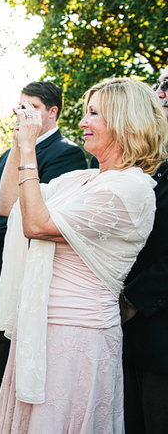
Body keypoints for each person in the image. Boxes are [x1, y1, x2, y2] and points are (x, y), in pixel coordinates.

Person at [0, 77, 167, 433]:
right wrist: (17, 141)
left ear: (124, 121)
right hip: (39, 326)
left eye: (93, 114)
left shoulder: (130, 189)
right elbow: (9, 205)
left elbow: (37, 225)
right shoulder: (81, 180)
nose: (83, 122)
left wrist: (29, 150)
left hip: (76, 334)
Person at [0, 82, 87, 429]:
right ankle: (4, 415)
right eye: (19, 105)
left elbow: (36, 211)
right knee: (0, 342)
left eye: (31, 107)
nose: (22, 113)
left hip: (26, 264)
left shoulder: (66, 153)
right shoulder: (9, 153)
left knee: (25, 344)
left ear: (52, 112)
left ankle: (26, 420)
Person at [120, 68, 168, 433]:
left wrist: (134, 298)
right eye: (160, 86)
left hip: (159, 327)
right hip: (124, 333)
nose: (161, 94)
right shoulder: (138, 164)